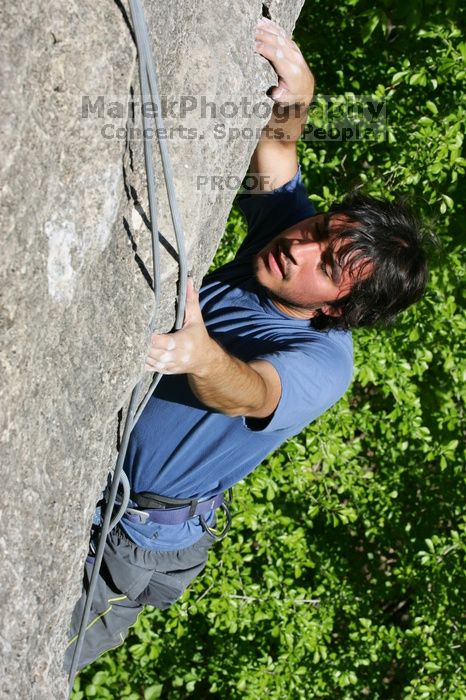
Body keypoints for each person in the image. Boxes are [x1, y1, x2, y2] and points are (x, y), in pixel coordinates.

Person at [65, 17, 428, 672]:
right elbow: (280, 159)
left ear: (340, 305)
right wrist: (298, 93)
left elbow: (252, 392)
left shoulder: (321, 362)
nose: (301, 246)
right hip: (109, 487)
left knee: (38, 655)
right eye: (321, 228)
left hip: (137, 536)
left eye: (326, 262)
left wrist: (201, 355)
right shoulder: (289, 242)